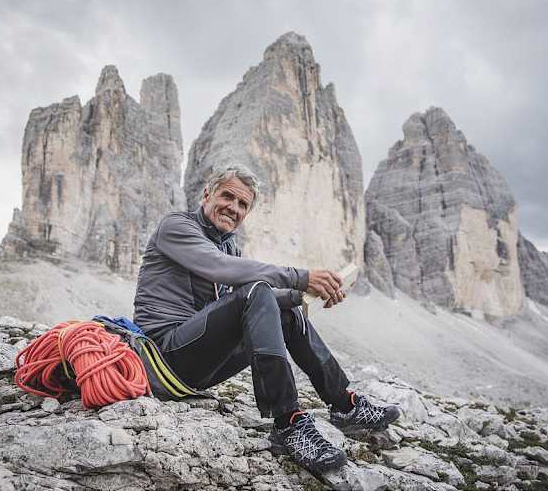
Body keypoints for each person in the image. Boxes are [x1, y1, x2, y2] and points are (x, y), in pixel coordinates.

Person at [133, 164, 399, 474]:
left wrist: (305, 295)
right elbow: (220, 268)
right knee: (256, 292)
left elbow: (250, 301)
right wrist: (300, 277)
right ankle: (288, 423)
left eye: (242, 204)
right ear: (207, 194)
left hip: (199, 365)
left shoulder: (228, 245)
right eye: (227, 196)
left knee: (284, 311)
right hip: (163, 358)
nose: (233, 207)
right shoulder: (176, 226)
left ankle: (344, 405)